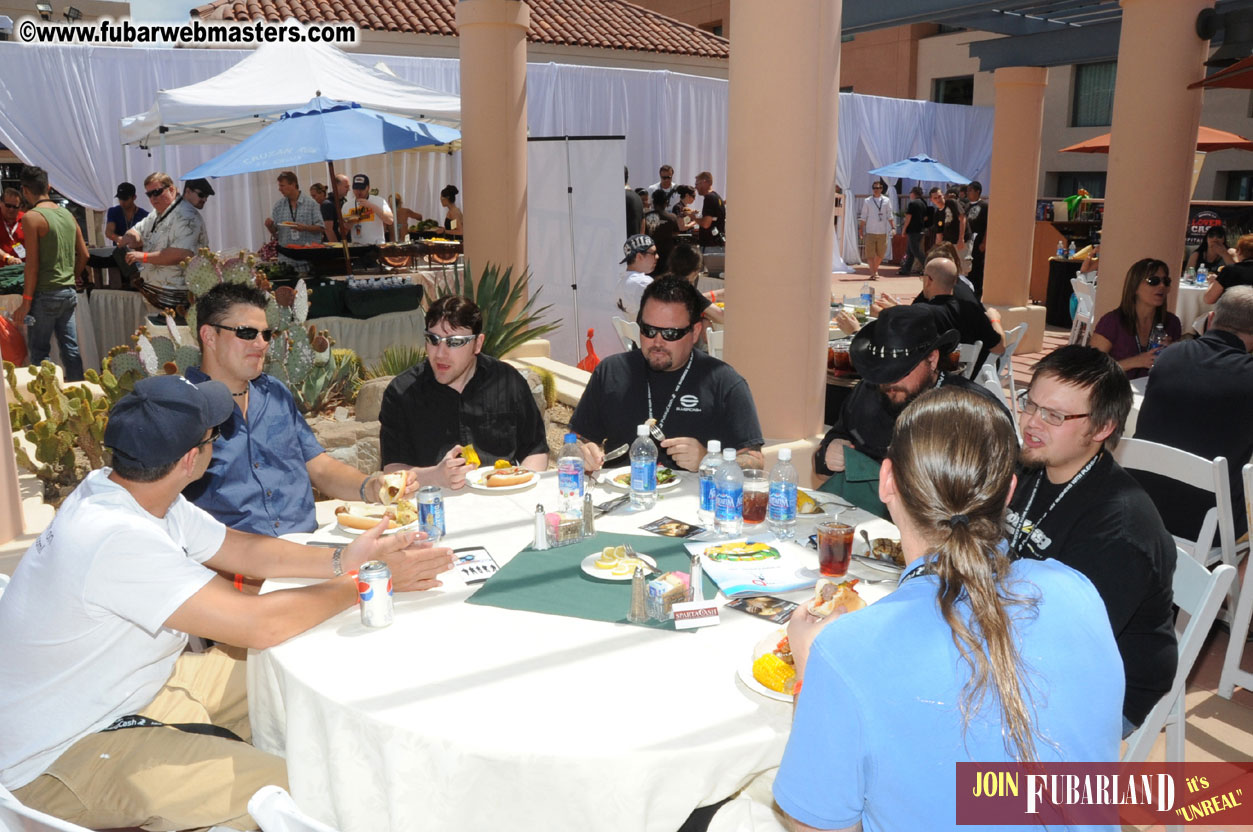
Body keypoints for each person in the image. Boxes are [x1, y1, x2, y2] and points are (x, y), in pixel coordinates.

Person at [0, 374, 454, 831]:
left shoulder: (129, 491)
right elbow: (258, 624)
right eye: (213, 435)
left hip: (124, 690)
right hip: (60, 754)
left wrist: (344, 559)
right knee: (306, 790)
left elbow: (242, 549)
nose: (218, 440)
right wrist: (368, 583)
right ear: (189, 459)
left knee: (298, 670)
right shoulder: (115, 538)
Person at [776, 387, 1123, 832]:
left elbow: (816, 823)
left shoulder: (846, 651)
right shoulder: (1078, 592)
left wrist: (808, 670)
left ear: (887, 480)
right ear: (1009, 491)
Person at [1007, 345, 1176, 733]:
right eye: (1030, 404)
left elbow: (1061, 653)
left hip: (1098, 693)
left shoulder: (1119, 532)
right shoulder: (1035, 465)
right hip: (1024, 633)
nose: (1031, 423)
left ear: (1102, 428)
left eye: (1054, 415)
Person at [183, 283, 409, 536]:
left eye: (266, 334)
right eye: (247, 333)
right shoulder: (182, 408)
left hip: (308, 543)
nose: (261, 344)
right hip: (234, 555)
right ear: (209, 336)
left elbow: (319, 467)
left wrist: (370, 487)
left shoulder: (275, 394)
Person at [814, 304, 1010, 516]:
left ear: (932, 360)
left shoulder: (972, 411)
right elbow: (829, 451)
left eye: (901, 371)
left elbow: (994, 494)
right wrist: (830, 452)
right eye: (882, 372)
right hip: (861, 520)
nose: (889, 382)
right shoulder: (867, 391)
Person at [572, 276, 764, 473]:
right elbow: (577, 440)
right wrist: (581, 451)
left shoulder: (724, 382)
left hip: (696, 492)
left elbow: (754, 460)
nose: (657, 342)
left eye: (670, 333)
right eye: (648, 330)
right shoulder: (611, 371)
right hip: (620, 490)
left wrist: (708, 460)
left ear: (695, 332)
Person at [379, 296, 548, 486]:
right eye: (433, 340)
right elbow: (392, 469)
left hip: (500, 496)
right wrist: (436, 476)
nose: (440, 353)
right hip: (431, 498)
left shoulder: (507, 382)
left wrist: (520, 485)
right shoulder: (402, 392)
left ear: (477, 343)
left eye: (454, 342)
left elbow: (535, 450)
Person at [1135, 286, 1253, 540]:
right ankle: (1244, 567)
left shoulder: (1169, 357)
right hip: (1208, 525)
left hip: (1143, 506)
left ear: (1210, 319)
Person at [12, 166, 88, 382]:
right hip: (68, 291)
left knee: (39, 353)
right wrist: (72, 276)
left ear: (25, 190)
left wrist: (26, 302)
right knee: (71, 350)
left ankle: (46, 397)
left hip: (45, 293)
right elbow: (84, 255)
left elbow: (32, 265)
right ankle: (80, 391)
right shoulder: (68, 215)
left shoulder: (31, 217)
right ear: (49, 187)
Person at [1091, 258, 1182, 379]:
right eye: (1153, 281)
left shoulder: (1172, 322)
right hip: (1119, 388)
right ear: (1135, 287)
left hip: (1157, 387)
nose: (1162, 286)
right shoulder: (1112, 322)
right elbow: (1091, 368)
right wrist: (1135, 361)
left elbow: (1179, 368)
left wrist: (1174, 352)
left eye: (1166, 281)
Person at [120, 172, 209, 295]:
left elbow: (180, 253)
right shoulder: (158, 212)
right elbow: (137, 231)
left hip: (180, 293)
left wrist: (143, 257)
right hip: (158, 291)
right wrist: (129, 238)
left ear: (171, 189)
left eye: (157, 192)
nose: (153, 198)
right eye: (149, 194)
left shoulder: (187, 215)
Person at [914, 256, 1004, 373]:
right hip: (968, 377)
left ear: (928, 280)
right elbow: (999, 348)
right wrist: (995, 320)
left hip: (934, 379)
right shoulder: (972, 309)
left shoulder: (921, 313)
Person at [263, 171, 323, 270]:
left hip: (307, 260)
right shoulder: (278, 206)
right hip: (285, 261)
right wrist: (270, 226)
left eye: (282, 186)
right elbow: (276, 234)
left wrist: (305, 228)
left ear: (293, 184)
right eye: (279, 186)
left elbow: (321, 227)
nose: (279, 189)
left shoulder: (311, 204)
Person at [665, 243, 723, 328]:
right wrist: (705, 314)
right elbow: (722, 317)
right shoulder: (687, 291)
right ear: (695, 271)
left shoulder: (659, 284)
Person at [858, 180, 895, 280]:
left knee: (881, 254)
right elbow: (863, 216)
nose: (876, 190)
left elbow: (890, 215)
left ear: (881, 189)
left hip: (882, 231)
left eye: (878, 188)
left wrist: (893, 227)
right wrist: (861, 229)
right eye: (874, 188)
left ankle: (874, 270)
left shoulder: (886, 200)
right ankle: (873, 273)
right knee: (870, 254)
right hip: (870, 231)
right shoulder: (867, 201)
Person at [615, 234, 657, 320]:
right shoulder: (644, 283)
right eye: (653, 253)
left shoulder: (621, 283)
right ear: (639, 256)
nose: (657, 257)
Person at [1203, 233, 1253, 305]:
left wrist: (1212, 282)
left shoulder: (1230, 270)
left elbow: (1208, 299)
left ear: (1240, 252)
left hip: (1234, 311)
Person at [343, 174, 393, 245]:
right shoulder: (347, 205)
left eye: (362, 188)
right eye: (356, 188)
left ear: (368, 187)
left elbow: (390, 220)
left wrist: (371, 206)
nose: (358, 191)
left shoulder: (379, 201)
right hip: (357, 245)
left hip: (376, 245)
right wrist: (351, 221)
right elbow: (343, 231)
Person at [103, 182, 148, 246]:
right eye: (120, 198)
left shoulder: (145, 215)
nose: (122, 201)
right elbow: (109, 232)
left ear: (134, 197)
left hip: (138, 249)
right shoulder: (113, 211)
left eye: (125, 198)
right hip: (119, 250)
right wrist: (119, 239)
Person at [965, 180, 988, 298]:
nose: (968, 193)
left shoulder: (984, 206)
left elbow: (988, 225)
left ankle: (977, 295)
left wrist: (984, 242)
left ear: (977, 191)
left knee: (977, 268)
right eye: (967, 190)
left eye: (970, 190)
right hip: (967, 242)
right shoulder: (967, 206)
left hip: (978, 241)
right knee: (968, 268)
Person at [897, 186, 926, 277]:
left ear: (913, 193)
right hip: (920, 229)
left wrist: (904, 229)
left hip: (913, 230)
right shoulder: (923, 203)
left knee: (916, 251)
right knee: (910, 251)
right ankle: (906, 269)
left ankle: (927, 266)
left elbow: (908, 217)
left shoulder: (912, 203)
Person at [693, 171, 726, 248]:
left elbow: (706, 224)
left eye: (697, 184)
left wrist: (693, 217)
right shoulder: (717, 197)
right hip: (717, 245)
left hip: (710, 246)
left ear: (704, 182)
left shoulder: (709, 198)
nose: (695, 187)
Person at [929, 186, 964, 253]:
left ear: (943, 195)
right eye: (935, 198)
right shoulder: (937, 215)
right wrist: (937, 250)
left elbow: (963, 219)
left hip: (962, 241)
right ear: (932, 200)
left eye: (939, 196)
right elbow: (939, 234)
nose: (938, 200)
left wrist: (961, 239)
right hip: (949, 244)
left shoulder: (951, 203)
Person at [320, 174, 350, 243]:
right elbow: (328, 229)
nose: (348, 189)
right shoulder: (328, 204)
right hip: (335, 245)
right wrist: (337, 246)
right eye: (346, 187)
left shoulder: (345, 202)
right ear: (336, 186)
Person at [0, 187, 24, 264]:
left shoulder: (26, 219)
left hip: (23, 267)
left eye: (15, 207)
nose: (11, 209)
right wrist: (7, 258)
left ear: (20, 207)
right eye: (8, 205)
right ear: (1, 203)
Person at [625, 166, 644, 238]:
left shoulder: (621, 197)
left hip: (624, 242)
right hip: (636, 242)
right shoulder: (637, 197)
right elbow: (643, 223)